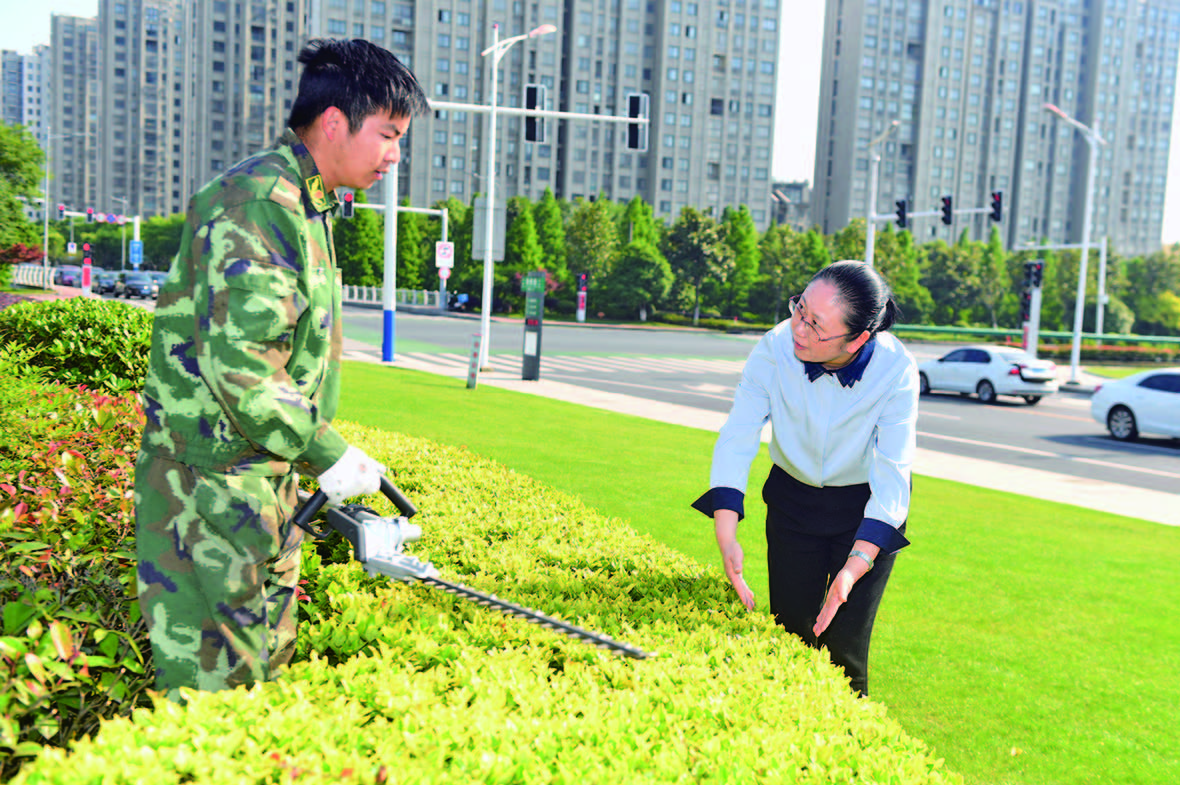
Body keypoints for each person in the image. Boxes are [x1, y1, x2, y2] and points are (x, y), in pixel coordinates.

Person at [134, 39, 428, 699]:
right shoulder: (259, 202)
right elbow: (243, 364)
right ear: (333, 122)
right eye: (387, 134)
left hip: (258, 496)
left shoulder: (308, 202)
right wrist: (327, 449)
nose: (394, 156)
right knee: (214, 708)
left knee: (259, 695)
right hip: (206, 503)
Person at [692, 260, 918, 697]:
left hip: (865, 511)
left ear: (859, 339)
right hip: (793, 502)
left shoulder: (897, 369)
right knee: (790, 637)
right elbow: (739, 431)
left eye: (816, 326)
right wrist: (726, 529)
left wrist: (853, 570)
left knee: (844, 655)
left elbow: (894, 473)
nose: (799, 329)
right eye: (800, 310)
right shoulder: (775, 346)